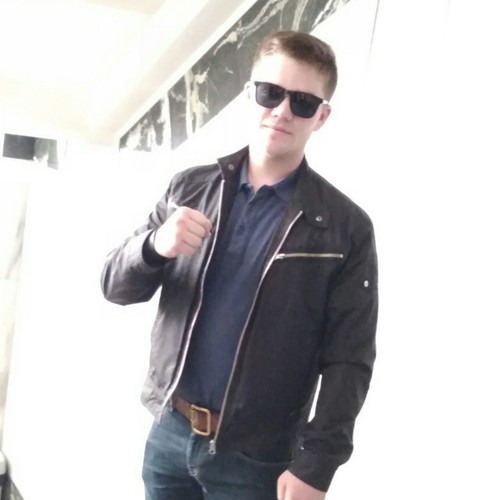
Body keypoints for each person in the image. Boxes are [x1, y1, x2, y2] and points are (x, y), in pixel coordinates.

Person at [101, 30, 378, 500]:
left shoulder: (344, 227)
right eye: (270, 92)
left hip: (257, 457)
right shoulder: (189, 189)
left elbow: (349, 358)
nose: (282, 111)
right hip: (169, 433)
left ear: (322, 116)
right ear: (250, 94)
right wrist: (154, 246)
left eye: (303, 102)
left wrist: (317, 466)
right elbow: (114, 285)